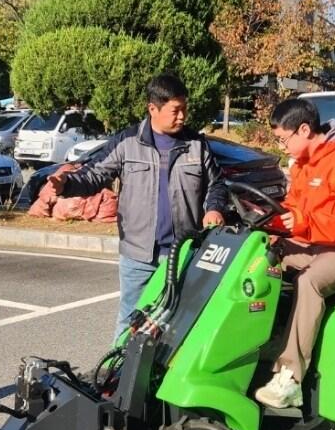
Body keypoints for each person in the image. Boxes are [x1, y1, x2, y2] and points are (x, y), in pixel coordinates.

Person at [49, 74, 227, 339]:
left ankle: (160, 380)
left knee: (176, 325)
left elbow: (217, 185)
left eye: (184, 109)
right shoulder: (127, 142)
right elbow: (94, 174)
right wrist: (65, 185)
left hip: (182, 254)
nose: (182, 117)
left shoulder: (197, 145)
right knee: (129, 321)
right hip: (137, 255)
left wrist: (214, 208)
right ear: (152, 108)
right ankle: (116, 378)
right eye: (176, 111)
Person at [254, 98, 335, 409]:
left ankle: (290, 379)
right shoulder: (304, 165)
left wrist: (305, 223)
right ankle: (255, 348)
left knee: (310, 282)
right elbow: (293, 210)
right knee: (258, 258)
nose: (282, 146)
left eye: (283, 139)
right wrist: (266, 219)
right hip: (318, 242)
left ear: (304, 129)